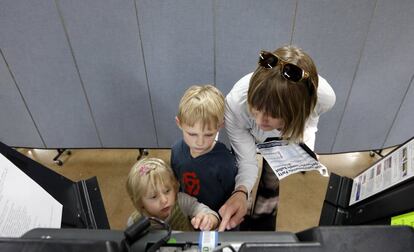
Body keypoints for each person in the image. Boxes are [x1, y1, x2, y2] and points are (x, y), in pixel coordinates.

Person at [219, 45, 336, 231]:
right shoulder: (236, 103)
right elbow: (247, 162)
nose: (259, 120)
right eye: (255, 109)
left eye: (272, 115)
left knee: (271, 185)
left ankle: (263, 221)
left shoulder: (324, 97)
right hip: (251, 134)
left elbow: (311, 119)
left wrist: (305, 146)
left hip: (285, 136)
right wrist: (241, 191)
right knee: (240, 175)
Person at [171, 85, 238, 213]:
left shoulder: (226, 162)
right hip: (187, 214)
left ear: (220, 126)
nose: (200, 142)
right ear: (179, 123)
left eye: (208, 135)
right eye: (192, 134)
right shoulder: (176, 151)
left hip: (215, 220)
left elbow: (232, 200)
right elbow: (175, 184)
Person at [126, 157, 219, 231]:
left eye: (167, 191)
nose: (164, 200)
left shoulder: (181, 201)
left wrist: (209, 220)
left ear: (174, 186)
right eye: (154, 196)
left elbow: (207, 212)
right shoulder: (134, 222)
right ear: (140, 202)